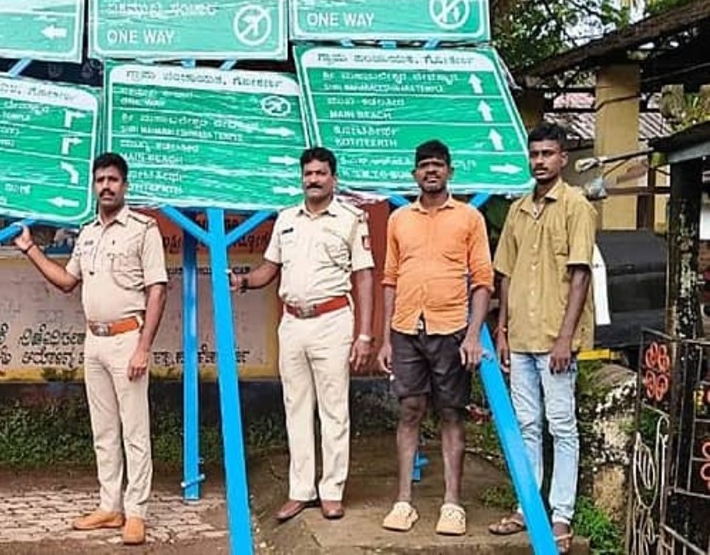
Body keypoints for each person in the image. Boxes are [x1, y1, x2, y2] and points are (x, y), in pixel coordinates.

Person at [14, 152, 168, 546]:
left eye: (113, 180)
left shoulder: (144, 229)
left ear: (125, 185)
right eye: (100, 180)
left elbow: (157, 290)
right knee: (104, 429)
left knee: (134, 430)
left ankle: (136, 512)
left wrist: (143, 348)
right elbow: (68, 281)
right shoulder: (87, 233)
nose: (106, 186)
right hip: (94, 340)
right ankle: (109, 505)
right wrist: (30, 249)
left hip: (128, 339)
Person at [229, 147, 374, 522]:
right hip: (292, 323)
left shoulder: (351, 219)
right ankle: (301, 490)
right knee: (295, 407)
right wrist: (243, 281)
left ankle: (332, 491)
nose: (313, 179)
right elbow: (269, 269)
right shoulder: (286, 219)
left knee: (334, 410)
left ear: (333, 179)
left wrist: (364, 335)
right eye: (308, 174)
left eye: (320, 173)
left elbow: (364, 277)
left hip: (333, 321)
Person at [487, 122, 594, 554]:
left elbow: (580, 274)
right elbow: (506, 275)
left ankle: (561, 516)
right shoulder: (518, 209)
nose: (539, 161)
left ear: (562, 158)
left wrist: (565, 338)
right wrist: (502, 331)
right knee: (526, 425)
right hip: (521, 338)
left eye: (548, 154)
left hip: (555, 339)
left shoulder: (575, 205)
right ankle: (527, 508)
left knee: (561, 426)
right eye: (534, 154)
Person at [377, 140, 493, 537]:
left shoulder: (469, 218)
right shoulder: (399, 219)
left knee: (451, 413)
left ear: (450, 172)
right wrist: (386, 339)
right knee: (409, 410)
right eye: (424, 165)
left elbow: (483, 281)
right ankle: (403, 501)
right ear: (414, 174)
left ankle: (452, 504)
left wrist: (473, 335)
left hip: (452, 329)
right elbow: (390, 279)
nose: (431, 171)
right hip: (407, 328)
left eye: (438, 165)